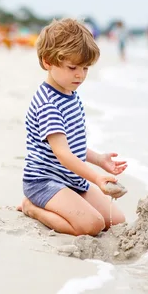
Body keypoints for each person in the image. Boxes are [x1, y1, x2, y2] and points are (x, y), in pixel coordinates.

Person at [18, 18, 127, 236]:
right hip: (44, 182)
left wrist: (98, 159)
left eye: (85, 68)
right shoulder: (48, 103)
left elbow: (71, 145)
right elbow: (63, 154)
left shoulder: (70, 95)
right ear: (48, 61)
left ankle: (64, 202)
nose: (80, 74)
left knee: (117, 220)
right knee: (91, 226)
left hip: (71, 179)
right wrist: (96, 178)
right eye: (72, 67)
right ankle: (32, 207)